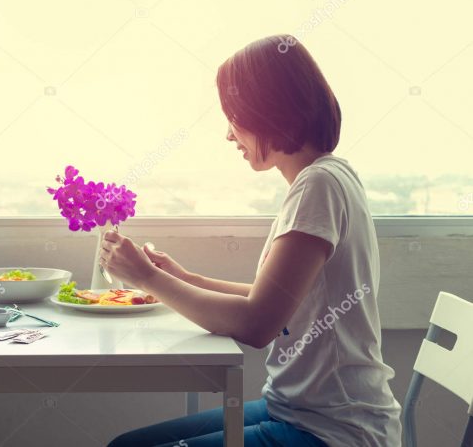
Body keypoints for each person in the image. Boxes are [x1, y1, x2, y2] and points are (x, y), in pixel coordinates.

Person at [102, 34, 402, 447]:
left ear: (270, 111)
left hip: (334, 431)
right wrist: (184, 276)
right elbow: (276, 304)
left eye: (235, 117)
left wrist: (148, 279)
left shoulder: (318, 186)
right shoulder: (329, 175)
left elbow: (258, 324)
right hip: (297, 410)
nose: (229, 135)